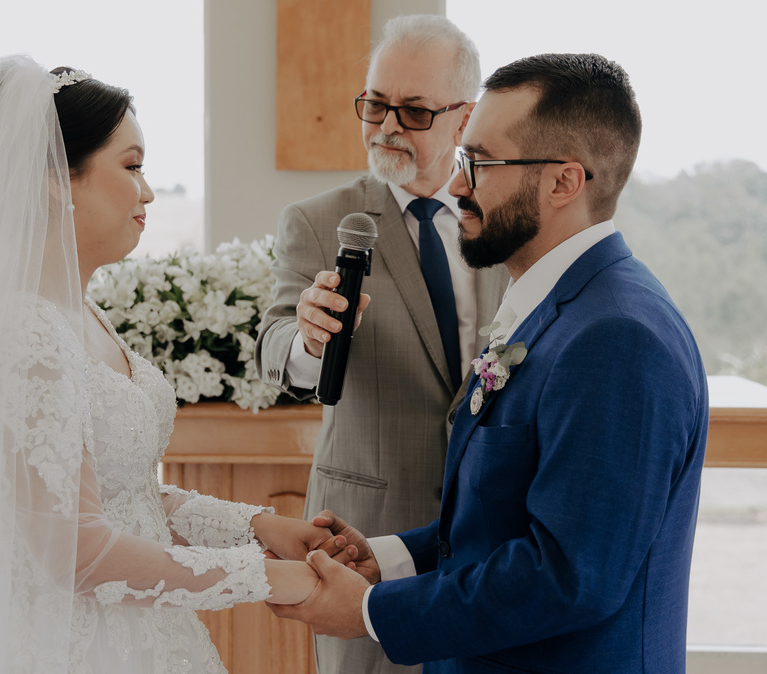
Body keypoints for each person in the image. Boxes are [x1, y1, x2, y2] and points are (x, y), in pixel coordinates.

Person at [0, 55, 344, 674]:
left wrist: (259, 526)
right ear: (57, 177)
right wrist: (267, 578)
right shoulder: (20, 332)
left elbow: (123, 497)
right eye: (131, 166)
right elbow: (75, 548)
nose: (149, 191)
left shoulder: (81, 314)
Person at [272, 53, 709, 674]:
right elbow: (500, 523)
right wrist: (388, 558)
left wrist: (372, 611)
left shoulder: (616, 337)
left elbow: (567, 574)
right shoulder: (552, 303)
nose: (455, 185)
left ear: (564, 182)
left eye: (479, 164)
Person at [256, 17, 508, 672]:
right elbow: (274, 347)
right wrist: (311, 341)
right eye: (374, 105)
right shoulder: (319, 220)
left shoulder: (505, 224)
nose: (387, 126)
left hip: (487, 537)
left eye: (415, 111)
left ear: (465, 117)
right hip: (361, 536)